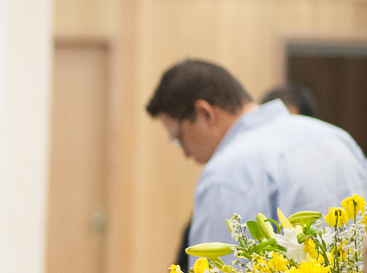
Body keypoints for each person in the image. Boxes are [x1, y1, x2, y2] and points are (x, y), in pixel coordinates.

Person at [145, 59, 367, 252]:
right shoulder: (336, 137)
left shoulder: (227, 171)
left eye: (178, 135)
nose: (184, 151)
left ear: (205, 113)